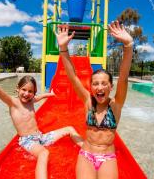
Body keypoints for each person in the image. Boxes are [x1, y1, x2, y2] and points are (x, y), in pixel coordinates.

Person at [0, 58, 83, 179]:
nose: (26, 94)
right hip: (27, 141)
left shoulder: (32, 100)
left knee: (70, 128)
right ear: (17, 89)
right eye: (24, 90)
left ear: (33, 93)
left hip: (40, 137)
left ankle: (88, 151)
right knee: (44, 154)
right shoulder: (13, 103)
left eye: (30, 91)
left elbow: (40, 96)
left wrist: (51, 94)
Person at [55, 20, 133, 179]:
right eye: (95, 84)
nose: (99, 87)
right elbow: (73, 77)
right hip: (86, 154)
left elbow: (124, 77)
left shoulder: (116, 104)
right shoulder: (88, 101)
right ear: (91, 87)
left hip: (107, 158)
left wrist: (129, 45)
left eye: (104, 83)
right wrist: (63, 48)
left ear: (111, 86)